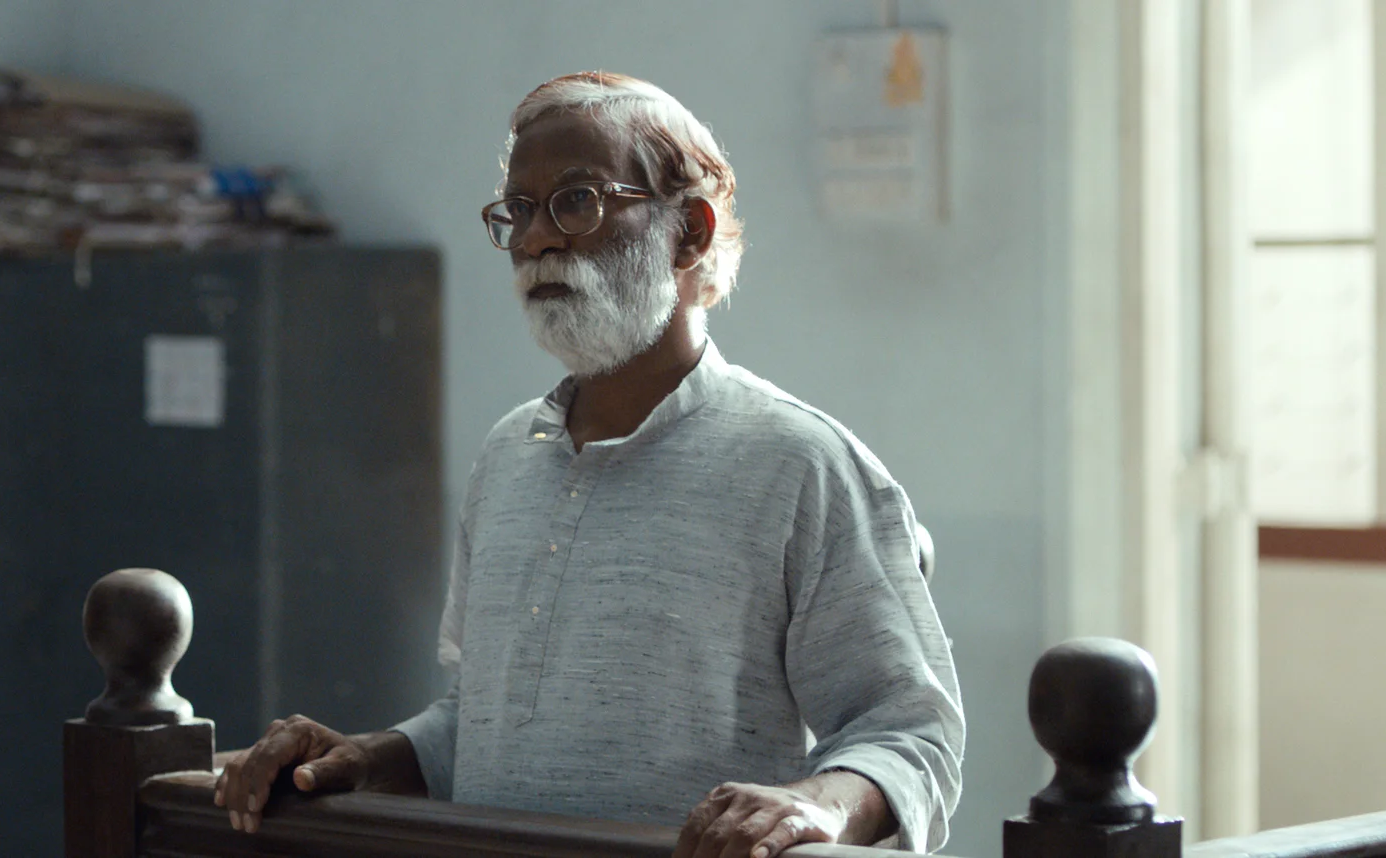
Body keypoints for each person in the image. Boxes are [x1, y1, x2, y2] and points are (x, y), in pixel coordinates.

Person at [213, 71, 965, 858]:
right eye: (519, 210)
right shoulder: (509, 455)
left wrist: (818, 804)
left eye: (578, 200)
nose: (536, 240)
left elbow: (910, 733)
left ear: (690, 233)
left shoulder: (799, 463)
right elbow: (482, 722)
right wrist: (365, 758)